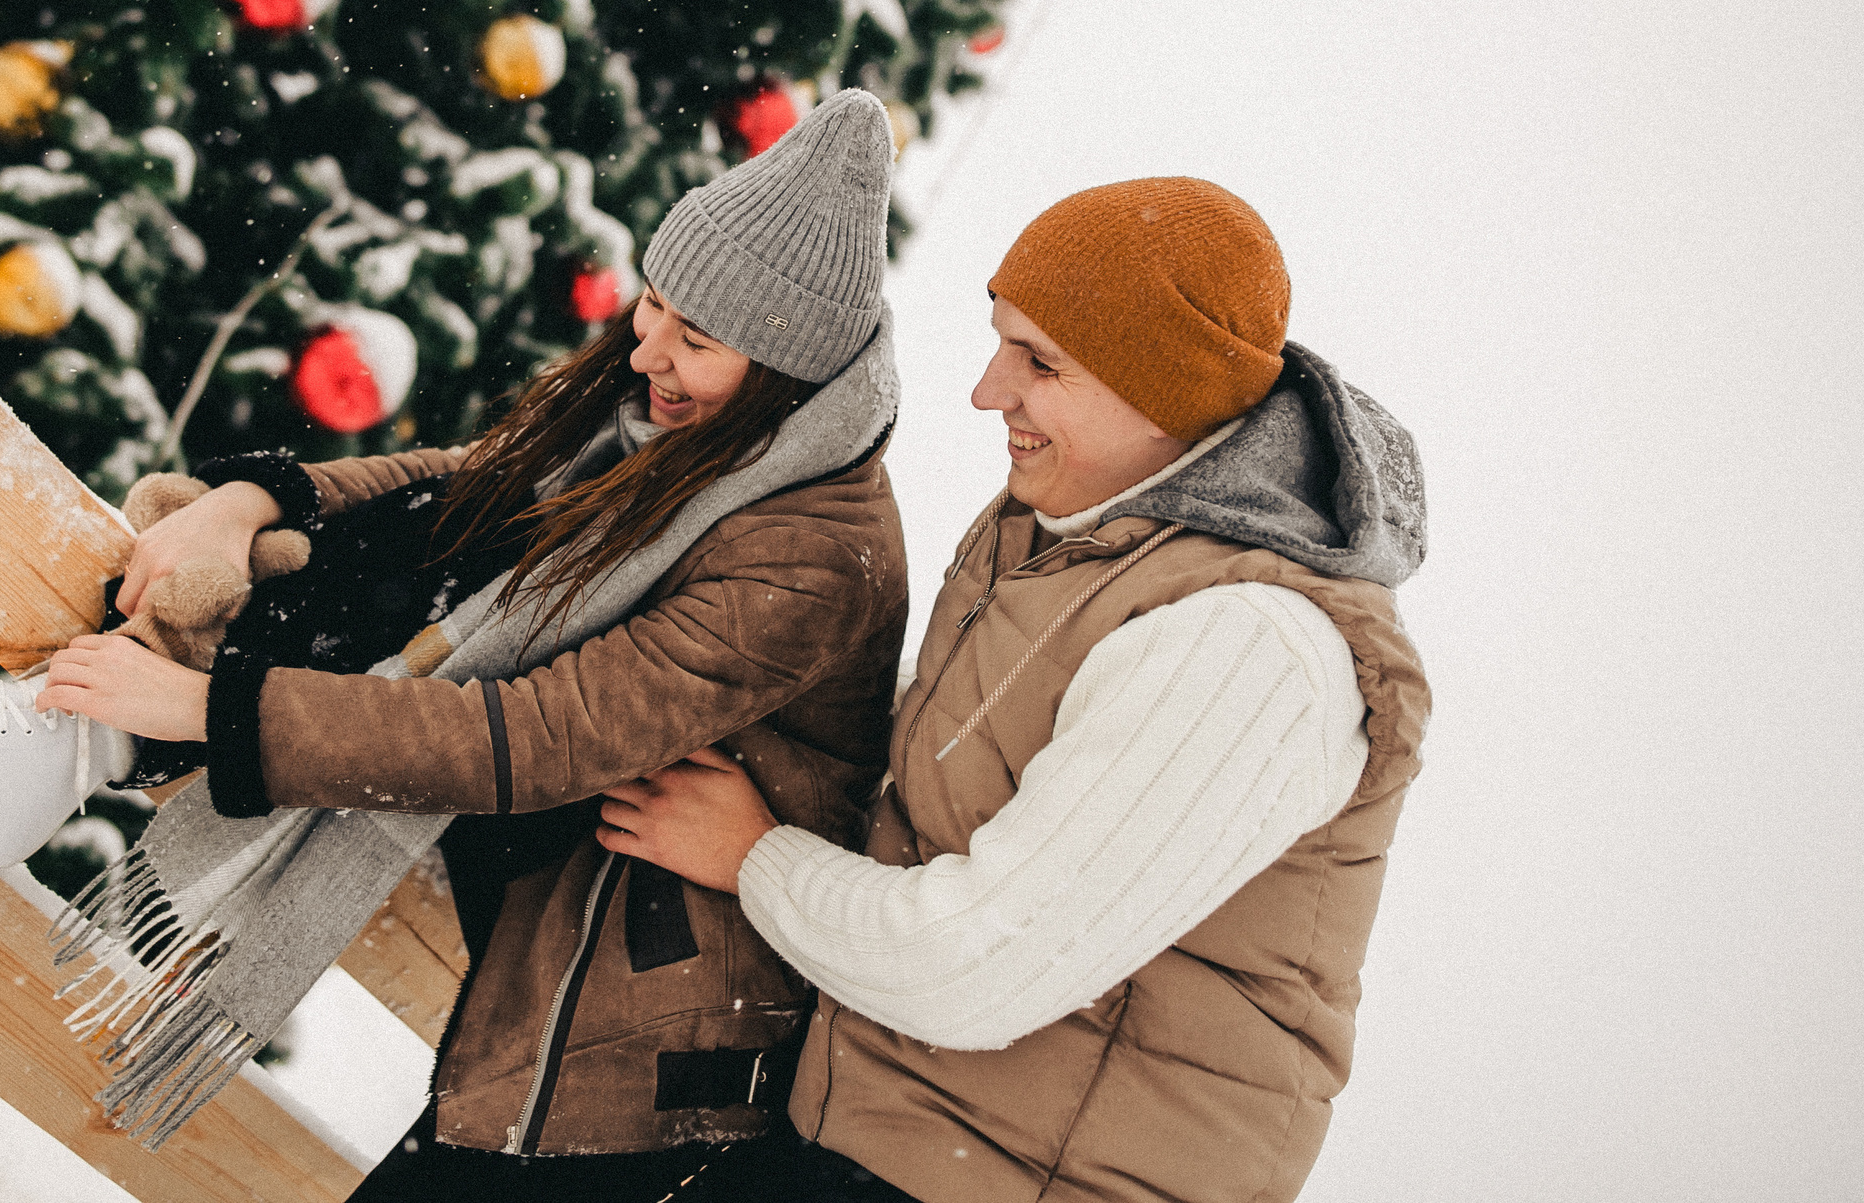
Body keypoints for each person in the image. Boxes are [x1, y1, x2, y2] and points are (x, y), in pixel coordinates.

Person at [0, 88, 911, 1195]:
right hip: (570, 911)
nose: (643, 351)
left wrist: (211, 712)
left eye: (694, 338)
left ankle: (47, 756)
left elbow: (539, 735)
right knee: (431, 543)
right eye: (653, 305)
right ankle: (46, 751)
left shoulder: (810, 557)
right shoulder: (691, 440)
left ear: (783, 375)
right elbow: (471, 488)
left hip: (650, 1039)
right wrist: (261, 505)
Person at [597, 177, 1432, 1203]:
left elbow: (971, 966)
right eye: (1001, 341)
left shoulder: (1248, 647)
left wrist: (756, 858)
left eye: (1039, 363)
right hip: (878, 1141)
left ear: (1161, 397)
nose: (988, 391)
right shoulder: (1063, 537)